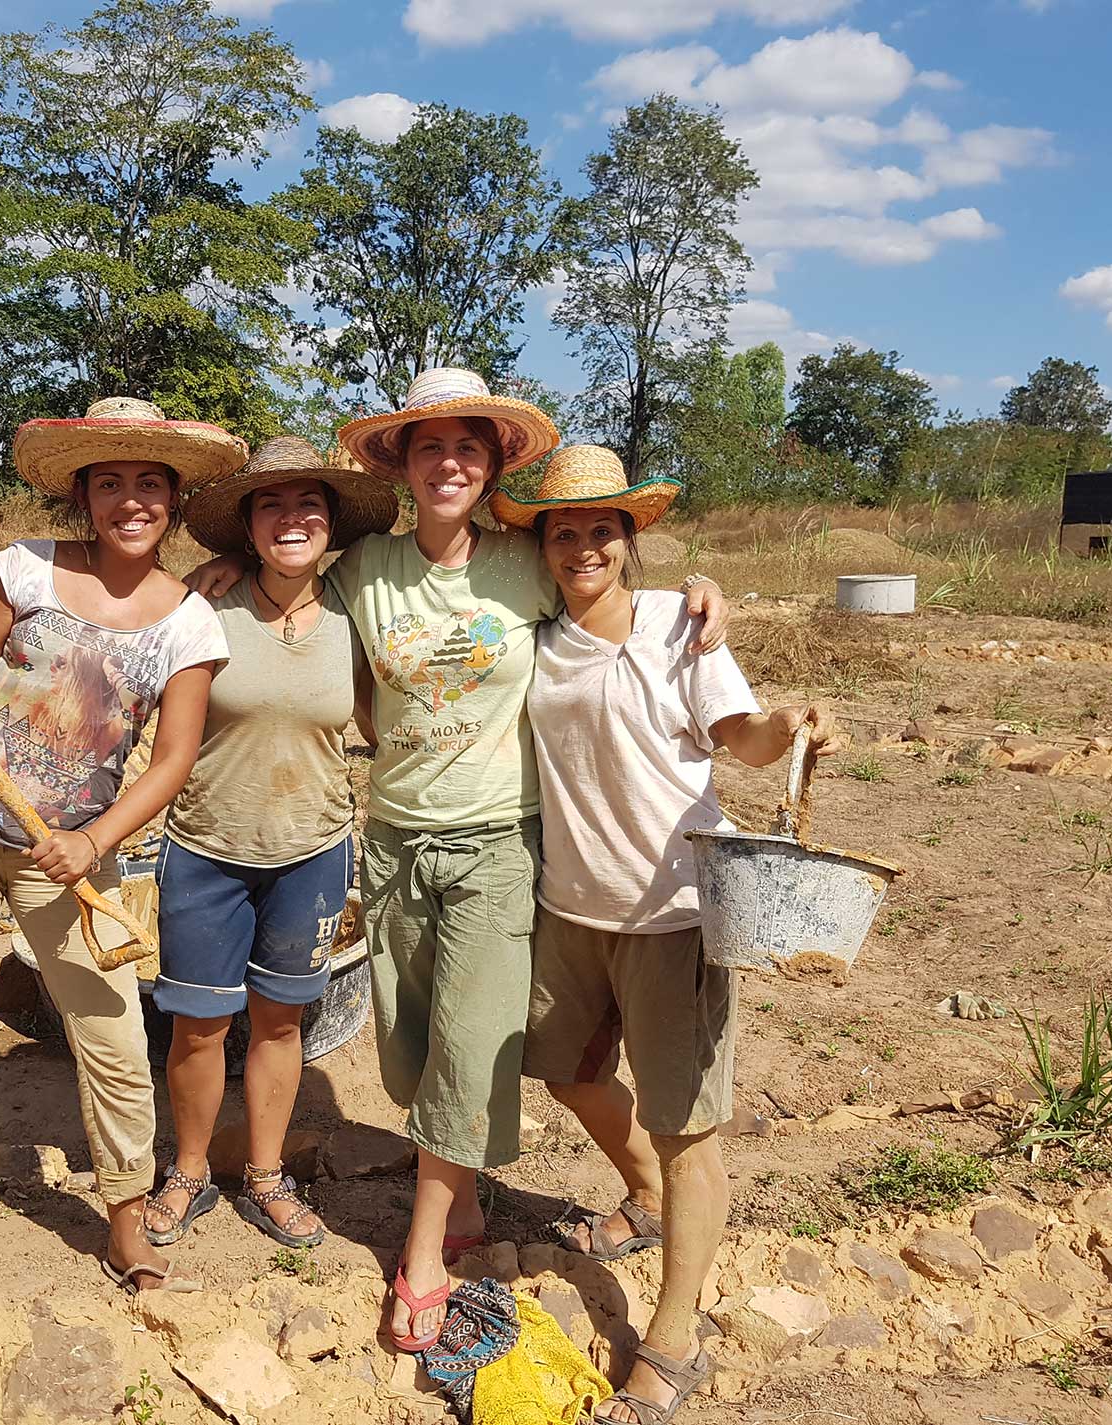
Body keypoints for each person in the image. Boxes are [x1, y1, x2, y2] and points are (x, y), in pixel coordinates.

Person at [187, 370, 730, 1352]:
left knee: (470, 1051)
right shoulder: (366, 570)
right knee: (409, 1053)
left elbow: (615, 583)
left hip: (499, 845)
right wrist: (213, 571)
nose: (448, 463)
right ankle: (471, 1186)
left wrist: (700, 590)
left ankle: (426, 1251)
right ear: (399, 463)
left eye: (467, 449)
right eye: (428, 446)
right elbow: (291, 594)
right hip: (393, 843)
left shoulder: (527, 560)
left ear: (492, 467)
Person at [0, 396, 245, 1306]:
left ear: (173, 498)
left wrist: (92, 839)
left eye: (148, 482)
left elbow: (176, 756)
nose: (130, 499)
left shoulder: (188, 623)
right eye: (108, 481)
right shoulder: (22, 568)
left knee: (111, 1035)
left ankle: (124, 1218)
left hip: (65, 853)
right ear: (82, 494)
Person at [490, 445, 834, 1420]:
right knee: (564, 1072)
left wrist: (789, 727)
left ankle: (674, 1342)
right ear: (542, 546)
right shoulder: (536, 641)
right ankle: (640, 1197)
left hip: (675, 913)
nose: (583, 544)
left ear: (629, 538)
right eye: (564, 530)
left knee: (690, 1133)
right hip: (572, 908)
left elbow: (743, 739)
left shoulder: (678, 632)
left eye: (603, 527)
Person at [140, 435, 396, 1252]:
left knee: (281, 1024)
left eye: (308, 504)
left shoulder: (357, 618)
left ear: (330, 525)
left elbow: (386, 716)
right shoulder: (204, 610)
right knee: (198, 1027)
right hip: (207, 848)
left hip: (312, 852)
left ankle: (264, 1176)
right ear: (247, 529)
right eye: (272, 504)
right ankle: (185, 1171)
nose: (292, 518)